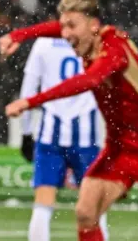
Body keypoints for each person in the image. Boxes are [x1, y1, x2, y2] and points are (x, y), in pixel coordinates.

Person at [0, 0, 138, 241]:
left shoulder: (115, 47)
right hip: (118, 149)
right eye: (63, 27)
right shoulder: (88, 40)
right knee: (86, 212)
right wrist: (19, 35)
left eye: (71, 26)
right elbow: (58, 29)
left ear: (94, 25)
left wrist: (32, 101)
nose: (65, 35)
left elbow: (90, 80)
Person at [18, 37, 107, 241]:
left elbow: (29, 88)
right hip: (86, 136)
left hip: (51, 134)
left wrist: (26, 132)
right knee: (94, 209)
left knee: (43, 203)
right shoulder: (94, 40)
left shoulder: (43, 44)